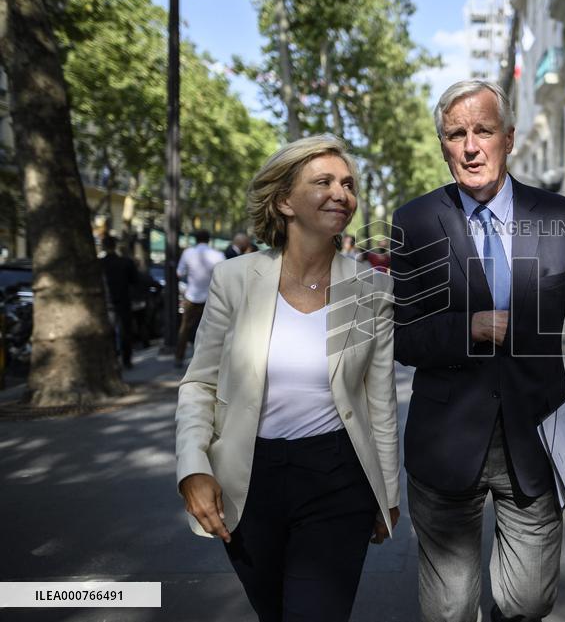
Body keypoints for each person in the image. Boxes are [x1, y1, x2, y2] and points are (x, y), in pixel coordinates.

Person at [391, 80, 565, 622]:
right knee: (447, 610)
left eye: (483, 131)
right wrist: (470, 328)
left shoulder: (562, 217)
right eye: (455, 134)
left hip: (536, 438)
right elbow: (403, 336)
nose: (470, 146)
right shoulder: (415, 222)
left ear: (509, 138)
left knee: (527, 603)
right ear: (443, 145)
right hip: (446, 444)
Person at [175, 134, 399, 622]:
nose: (342, 193)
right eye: (323, 182)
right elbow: (200, 384)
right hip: (247, 481)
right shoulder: (235, 279)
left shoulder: (372, 289)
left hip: (338, 476)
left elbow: (379, 400)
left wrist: (388, 493)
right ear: (284, 201)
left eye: (349, 184)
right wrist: (193, 466)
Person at [174, 230, 225, 366]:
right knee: (210, 330)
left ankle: (179, 358)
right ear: (208, 240)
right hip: (210, 297)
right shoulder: (217, 255)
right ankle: (208, 361)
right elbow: (224, 276)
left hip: (191, 295)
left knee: (185, 328)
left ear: (195, 239)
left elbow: (179, 272)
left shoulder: (188, 253)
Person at [99, 235, 138, 369]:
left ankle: (112, 359)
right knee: (125, 332)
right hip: (123, 300)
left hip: (106, 301)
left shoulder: (100, 263)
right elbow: (135, 281)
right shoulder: (126, 262)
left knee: (109, 332)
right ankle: (126, 360)